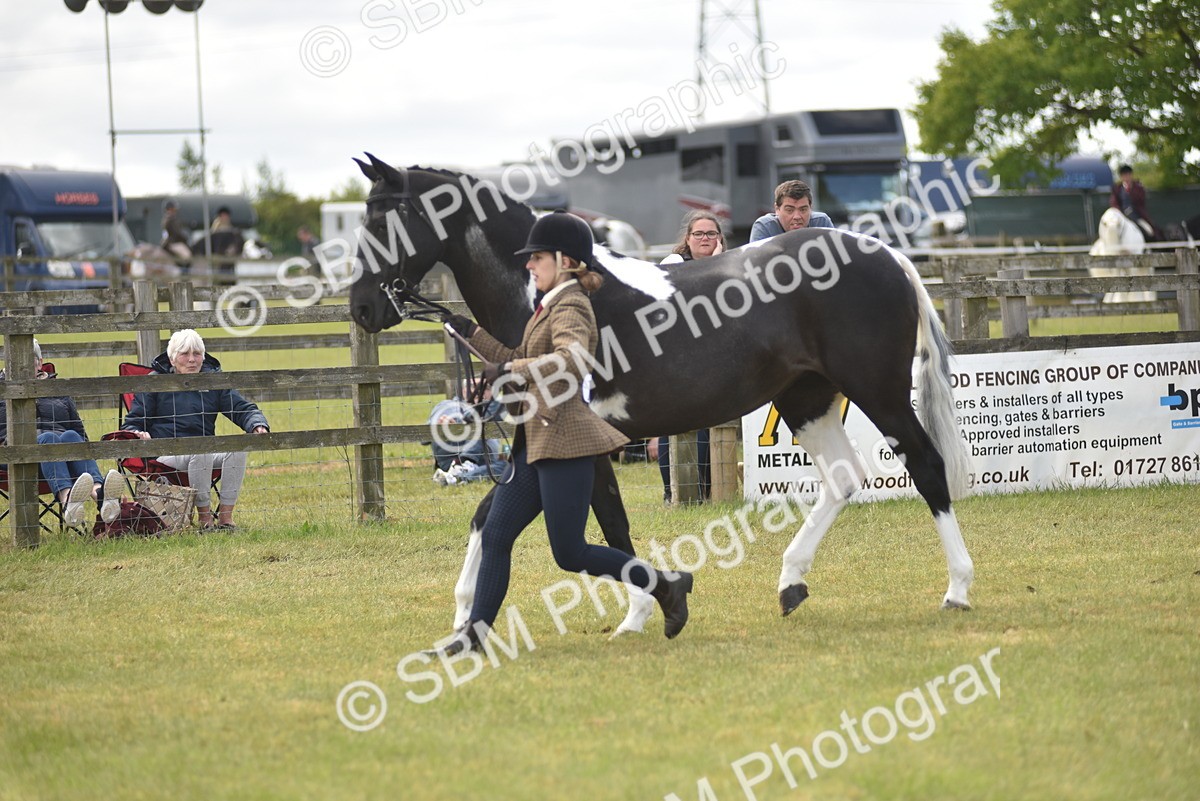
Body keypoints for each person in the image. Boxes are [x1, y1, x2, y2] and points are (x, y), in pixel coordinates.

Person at [438, 211, 694, 653]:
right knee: (496, 535)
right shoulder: (549, 304)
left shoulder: (572, 304)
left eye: (537, 258)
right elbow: (517, 354)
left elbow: (571, 360)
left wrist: (512, 370)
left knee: (570, 553)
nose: (529, 265)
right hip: (535, 440)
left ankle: (665, 584)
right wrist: (471, 333)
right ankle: (473, 638)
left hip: (566, 441)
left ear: (565, 261)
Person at [122, 329, 269, 530]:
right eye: (185, 354)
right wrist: (137, 433)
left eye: (197, 354)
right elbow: (132, 423)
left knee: (237, 450)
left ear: (203, 357)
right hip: (165, 456)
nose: (192, 360)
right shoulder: (153, 381)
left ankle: (226, 519)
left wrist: (257, 423)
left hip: (203, 451)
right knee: (201, 451)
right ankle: (205, 519)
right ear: (172, 359)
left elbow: (242, 408)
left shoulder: (212, 381)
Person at [0, 339, 124, 527]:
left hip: (61, 457)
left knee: (71, 436)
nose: (23, 367)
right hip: (16, 455)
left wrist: (83, 449)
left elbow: (80, 433)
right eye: (18, 362)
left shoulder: (58, 390)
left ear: (39, 363)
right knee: (48, 438)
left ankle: (100, 495)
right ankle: (67, 501)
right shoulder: (2, 389)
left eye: (29, 360)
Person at [650, 211, 721, 501]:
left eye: (711, 234)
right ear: (688, 238)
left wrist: (718, 262)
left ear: (719, 238)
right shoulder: (674, 263)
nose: (705, 239)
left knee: (709, 423)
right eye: (699, 234)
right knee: (674, 423)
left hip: (712, 359)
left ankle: (705, 490)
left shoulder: (729, 262)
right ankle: (672, 491)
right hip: (675, 357)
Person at [428, 382, 505, 486]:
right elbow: (424, 439)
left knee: (508, 467)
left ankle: (456, 477)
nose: (479, 391)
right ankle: (462, 466)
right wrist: (447, 423)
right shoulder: (449, 405)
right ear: (464, 389)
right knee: (479, 419)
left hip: (482, 464)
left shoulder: (493, 410)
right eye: (473, 386)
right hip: (453, 458)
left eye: (486, 387)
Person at [749, 179, 835, 242]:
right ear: (777, 209)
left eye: (803, 209)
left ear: (810, 208)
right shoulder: (765, 227)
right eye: (789, 210)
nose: (797, 216)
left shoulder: (821, 222)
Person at [1110, 165, 1161, 240]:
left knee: (1150, 231)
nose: (1126, 177)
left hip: (1137, 217)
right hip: (1122, 218)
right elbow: (1114, 203)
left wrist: (1131, 190)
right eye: (1124, 175)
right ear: (1121, 177)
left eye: (1128, 174)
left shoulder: (1138, 187)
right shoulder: (1117, 189)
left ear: (1131, 175)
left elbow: (1141, 201)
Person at [160, 199, 192, 267]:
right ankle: (184, 271)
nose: (176, 210)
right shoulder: (170, 219)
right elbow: (177, 233)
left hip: (172, 241)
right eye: (174, 208)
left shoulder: (169, 218)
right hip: (173, 242)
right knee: (187, 255)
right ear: (170, 209)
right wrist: (185, 238)